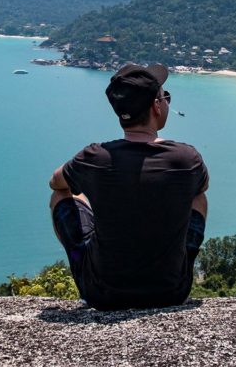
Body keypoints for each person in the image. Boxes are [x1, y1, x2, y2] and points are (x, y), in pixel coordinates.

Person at [49, 63, 209, 310]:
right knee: (197, 196)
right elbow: (202, 186)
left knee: (63, 195)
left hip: (102, 294)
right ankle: (177, 265)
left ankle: (83, 262)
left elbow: (55, 182)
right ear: (156, 106)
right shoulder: (187, 158)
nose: (166, 101)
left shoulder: (94, 157)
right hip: (171, 291)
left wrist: (98, 184)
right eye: (165, 96)